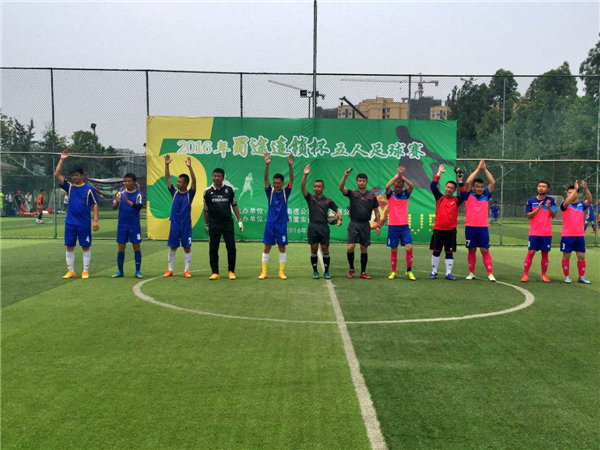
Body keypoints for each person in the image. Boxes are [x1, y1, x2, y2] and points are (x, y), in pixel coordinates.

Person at [54, 150, 99, 279]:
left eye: (76, 175)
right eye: (73, 175)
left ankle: (85, 271)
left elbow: (95, 204)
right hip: (70, 222)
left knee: (85, 246)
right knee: (69, 246)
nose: (74, 177)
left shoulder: (89, 189)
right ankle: (71, 271)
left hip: (84, 223)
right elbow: (57, 174)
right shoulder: (69, 187)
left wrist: (95, 220)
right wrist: (62, 159)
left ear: (81, 175)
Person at [301, 164, 341, 279]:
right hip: (313, 227)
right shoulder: (310, 198)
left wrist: (339, 219)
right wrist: (305, 175)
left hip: (324, 227)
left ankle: (326, 271)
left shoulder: (328, 200)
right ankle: (315, 271)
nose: (316, 188)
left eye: (319, 187)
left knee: (325, 249)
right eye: (315, 187)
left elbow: (337, 211)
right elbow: (302, 187)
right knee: (313, 249)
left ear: (323, 188)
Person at [339, 169, 381, 279]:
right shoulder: (352, 193)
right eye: (359, 181)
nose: (361, 182)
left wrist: (378, 225)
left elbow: (377, 211)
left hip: (365, 225)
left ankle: (363, 272)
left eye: (363, 181)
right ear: (356, 182)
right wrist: (345, 175)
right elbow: (341, 188)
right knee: (350, 247)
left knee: (364, 248)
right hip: (354, 224)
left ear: (366, 182)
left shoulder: (372, 196)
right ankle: (351, 268)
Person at [259, 153, 294, 280]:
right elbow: (265, 178)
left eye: (278, 183)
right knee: (267, 247)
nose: (276, 184)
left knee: (282, 247)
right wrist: (267, 165)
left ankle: (281, 272)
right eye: (274, 183)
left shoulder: (286, 191)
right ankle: (264, 272)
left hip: (281, 223)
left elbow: (291, 180)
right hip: (270, 223)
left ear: (282, 183)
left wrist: (290, 166)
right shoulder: (270, 191)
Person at [203, 168, 243, 280]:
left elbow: (234, 205)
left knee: (231, 248)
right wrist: (206, 224)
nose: (216, 178)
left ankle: (231, 271)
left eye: (219, 176)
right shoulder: (207, 191)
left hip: (227, 223)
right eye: (214, 176)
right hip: (214, 223)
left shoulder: (229, 190)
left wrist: (239, 220)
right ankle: (215, 272)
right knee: (213, 248)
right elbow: (206, 209)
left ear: (223, 177)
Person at [429, 164, 467, 281]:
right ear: (445, 187)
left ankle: (448, 273)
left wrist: (460, 181)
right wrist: (439, 173)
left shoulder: (456, 200)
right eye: (447, 187)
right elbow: (432, 186)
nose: (449, 189)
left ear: (454, 190)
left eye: (451, 188)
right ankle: (434, 272)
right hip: (438, 229)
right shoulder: (439, 198)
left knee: (449, 252)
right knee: (436, 251)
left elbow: (464, 195)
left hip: (451, 231)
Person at [164, 155, 196, 278]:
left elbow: (194, 181)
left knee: (187, 248)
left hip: (186, 225)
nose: (177, 183)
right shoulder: (174, 192)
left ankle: (186, 270)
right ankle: (170, 270)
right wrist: (167, 165)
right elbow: (167, 177)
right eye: (177, 181)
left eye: (180, 182)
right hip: (175, 224)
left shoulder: (190, 194)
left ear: (186, 184)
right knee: (173, 247)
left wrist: (190, 168)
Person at [464, 159, 496, 282]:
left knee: (484, 250)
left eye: (482, 187)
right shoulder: (468, 194)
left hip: (483, 227)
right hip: (470, 227)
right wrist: (478, 169)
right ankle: (472, 272)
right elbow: (468, 181)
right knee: (471, 249)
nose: (480, 189)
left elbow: (492, 182)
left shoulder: (486, 195)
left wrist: (485, 169)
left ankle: (490, 273)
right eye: (477, 187)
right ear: (473, 187)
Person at [522, 180, 557, 283]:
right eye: (539, 186)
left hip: (546, 232)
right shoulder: (531, 201)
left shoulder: (551, 200)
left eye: (543, 186)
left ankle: (543, 275)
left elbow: (554, 215)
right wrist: (538, 209)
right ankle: (525, 275)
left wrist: (549, 207)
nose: (541, 188)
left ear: (548, 189)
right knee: (531, 252)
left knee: (545, 254)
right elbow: (528, 216)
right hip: (534, 232)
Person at [385, 166, 416, 280]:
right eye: (396, 186)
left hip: (404, 226)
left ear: (403, 186)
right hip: (393, 226)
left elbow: (411, 186)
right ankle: (393, 271)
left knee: (409, 247)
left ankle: (409, 271)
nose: (397, 188)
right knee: (394, 249)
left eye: (399, 186)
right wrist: (397, 175)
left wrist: (402, 177)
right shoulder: (390, 194)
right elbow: (387, 186)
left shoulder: (405, 194)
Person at [112, 173, 144, 279]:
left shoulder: (139, 194)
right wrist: (117, 202)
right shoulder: (120, 193)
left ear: (134, 182)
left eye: (129, 181)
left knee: (136, 247)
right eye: (125, 181)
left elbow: (139, 207)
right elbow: (113, 207)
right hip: (122, 225)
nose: (127, 183)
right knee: (121, 247)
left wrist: (128, 202)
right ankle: (120, 271)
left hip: (134, 225)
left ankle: (138, 271)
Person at [560, 180, 593, 284]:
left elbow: (590, 200)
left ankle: (581, 276)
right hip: (567, 236)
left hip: (579, 236)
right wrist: (575, 189)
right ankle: (567, 276)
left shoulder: (581, 205)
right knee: (566, 256)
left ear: (578, 194)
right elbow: (567, 201)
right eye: (568, 193)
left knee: (581, 256)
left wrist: (585, 188)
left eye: (572, 192)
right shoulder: (564, 205)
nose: (570, 194)